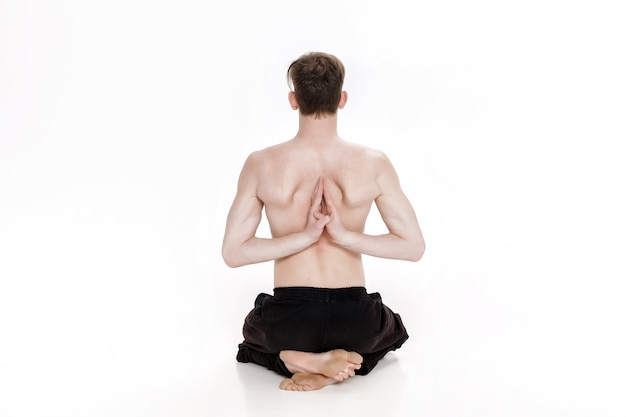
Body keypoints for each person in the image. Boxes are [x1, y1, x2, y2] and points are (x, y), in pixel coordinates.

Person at [222, 52, 425, 391]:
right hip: (356, 320)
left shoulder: (261, 164)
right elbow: (413, 247)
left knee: (253, 335)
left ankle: (297, 359)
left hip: (289, 320)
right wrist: (344, 235)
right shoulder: (373, 163)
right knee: (390, 330)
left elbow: (233, 253)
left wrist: (302, 237)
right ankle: (342, 360)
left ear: (293, 99)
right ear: (341, 99)